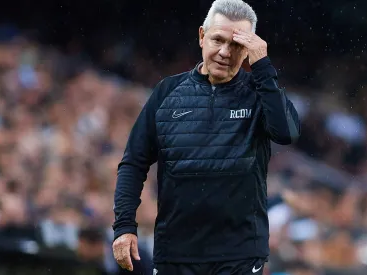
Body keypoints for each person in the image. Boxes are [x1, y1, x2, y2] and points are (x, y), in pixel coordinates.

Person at [112, 0, 301, 274]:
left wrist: (263, 68)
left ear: (249, 49)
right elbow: (134, 163)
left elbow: (286, 133)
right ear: (202, 36)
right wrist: (124, 226)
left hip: (240, 255)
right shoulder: (167, 92)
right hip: (174, 254)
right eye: (218, 40)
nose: (225, 52)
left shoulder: (260, 92)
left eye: (236, 45)